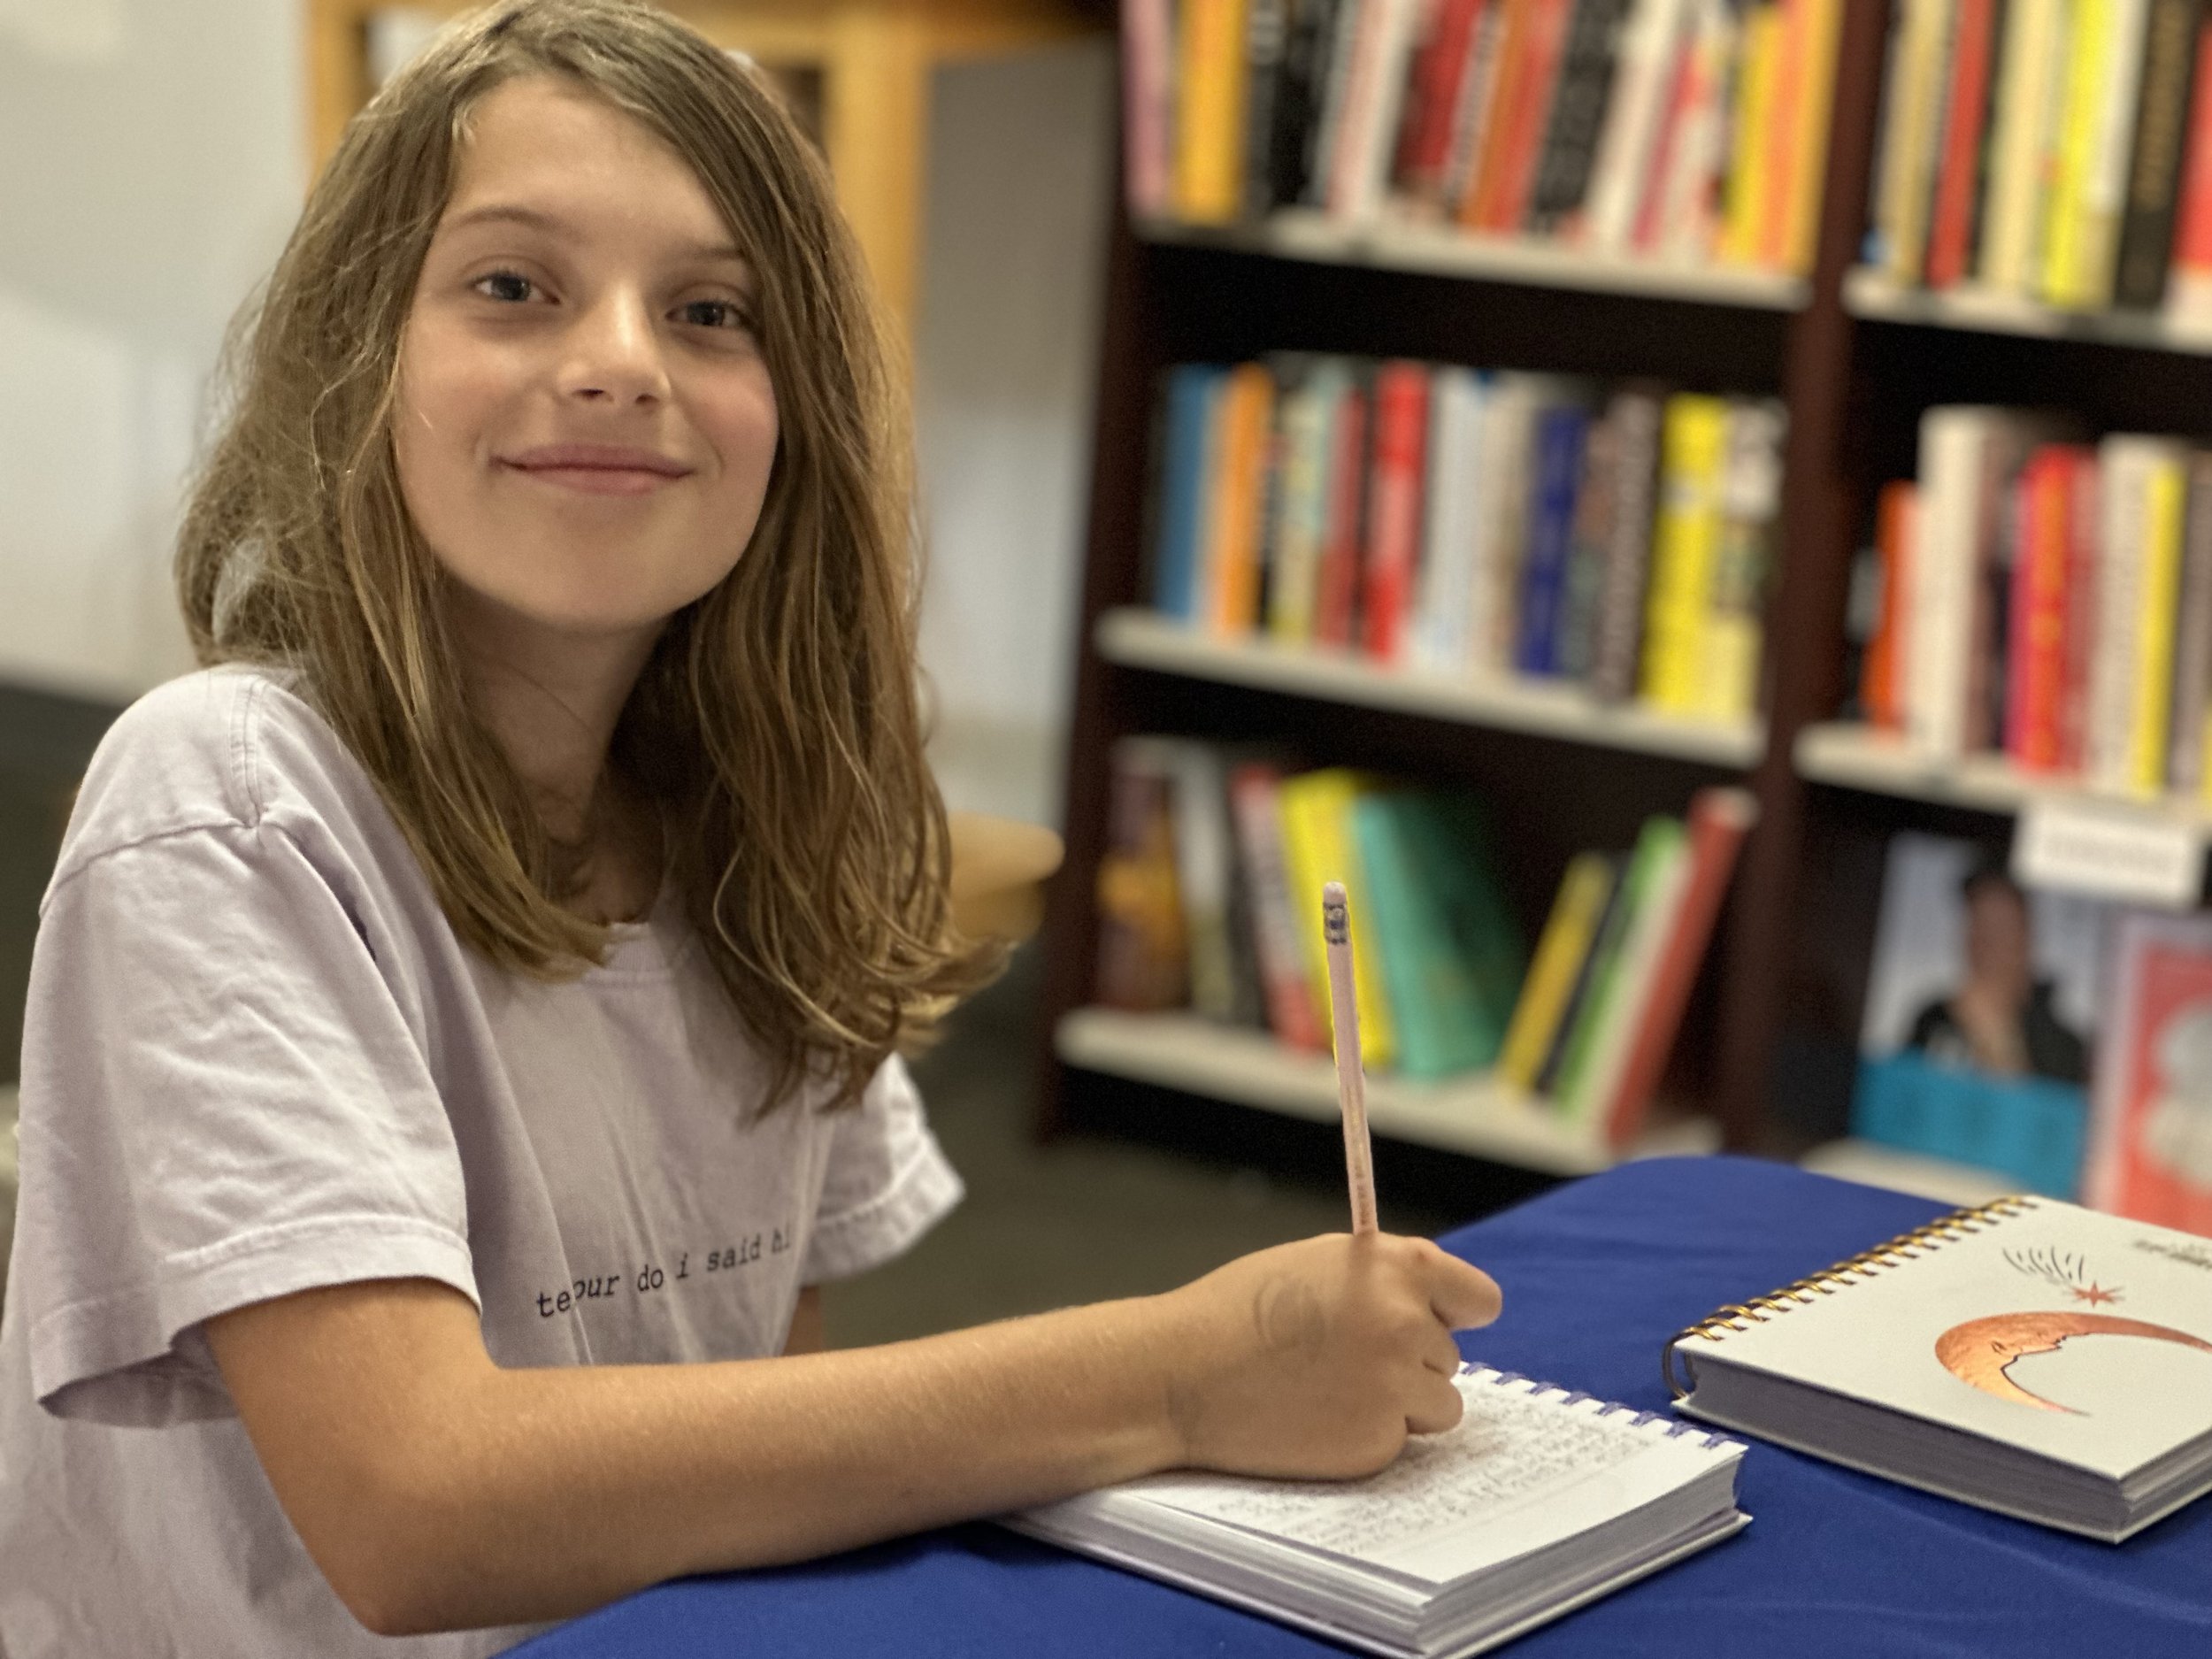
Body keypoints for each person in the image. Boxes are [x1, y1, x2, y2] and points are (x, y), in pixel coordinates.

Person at [0, 5, 1502, 1655]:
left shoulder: (764, 837)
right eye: (513, 286)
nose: (624, 357)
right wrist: (1174, 1373)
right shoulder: (224, 795)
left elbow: (762, 1450)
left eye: (713, 312)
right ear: (361, 359)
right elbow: (417, 1508)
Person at [1905, 861, 2089, 1085]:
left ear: (2025, 941)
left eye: (1999, 928)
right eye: (1978, 924)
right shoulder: (1933, 1018)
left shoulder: (2064, 1045)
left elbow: (2049, 1117)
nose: (1984, 944)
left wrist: (1997, 1042)